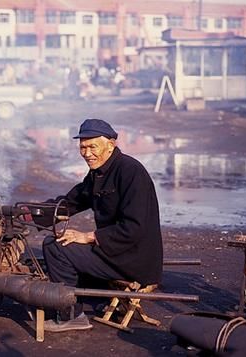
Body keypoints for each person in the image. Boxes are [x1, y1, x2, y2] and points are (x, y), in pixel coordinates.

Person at [39, 118, 163, 332]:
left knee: (54, 247)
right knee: (59, 244)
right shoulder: (99, 171)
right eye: (82, 147)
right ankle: (82, 296)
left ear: (111, 144)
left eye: (92, 147)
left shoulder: (131, 171)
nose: (87, 153)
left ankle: (71, 316)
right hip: (114, 251)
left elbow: (134, 227)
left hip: (133, 258)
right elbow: (72, 202)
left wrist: (88, 236)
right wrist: (33, 214)